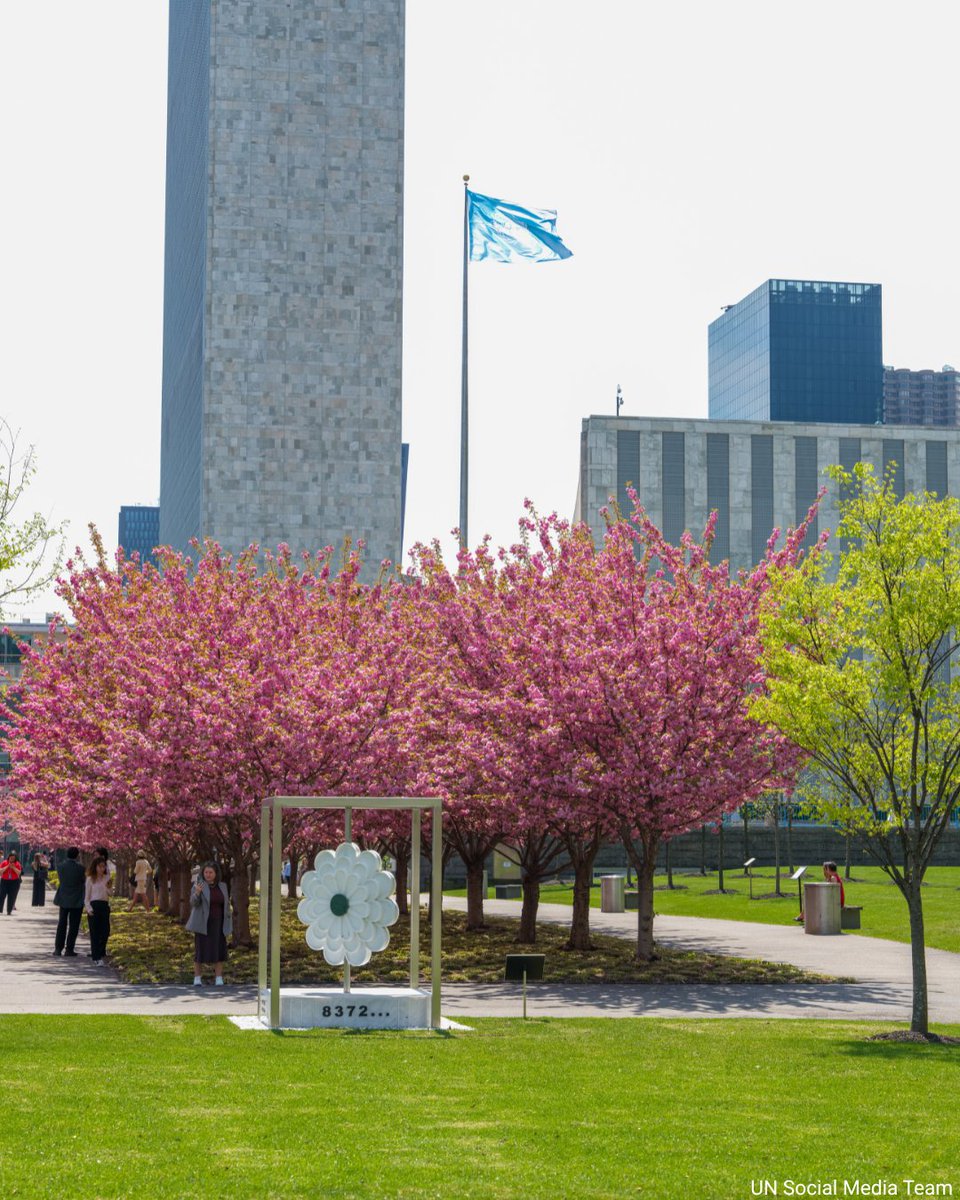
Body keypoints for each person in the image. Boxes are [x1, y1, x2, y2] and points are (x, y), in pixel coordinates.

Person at [185, 861, 232, 986]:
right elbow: (193, 903)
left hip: (219, 922)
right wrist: (197, 893)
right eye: (206, 872)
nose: (208, 875)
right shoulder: (198, 885)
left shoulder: (222, 886)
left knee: (219, 950)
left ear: (216, 874)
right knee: (200, 951)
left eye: (211, 872)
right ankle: (197, 978)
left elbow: (226, 903)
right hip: (203, 922)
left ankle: (218, 978)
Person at [54, 847, 86, 956]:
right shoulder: (81, 868)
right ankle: (69, 949)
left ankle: (58, 949)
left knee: (62, 923)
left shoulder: (60, 867)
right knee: (74, 925)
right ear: (77, 855)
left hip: (63, 897)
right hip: (77, 899)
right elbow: (83, 881)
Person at [84, 856, 112, 965]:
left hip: (104, 906)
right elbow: (87, 897)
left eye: (104, 866)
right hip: (94, 906)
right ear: (95, 867)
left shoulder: (107, 878)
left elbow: (110, 894)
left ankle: (100, 952)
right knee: (94, 933)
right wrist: (89, 909)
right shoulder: (90, 879)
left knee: (105, 931)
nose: (102, 868)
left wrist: (109, 887)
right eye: (100, 866)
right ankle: (96, 957)